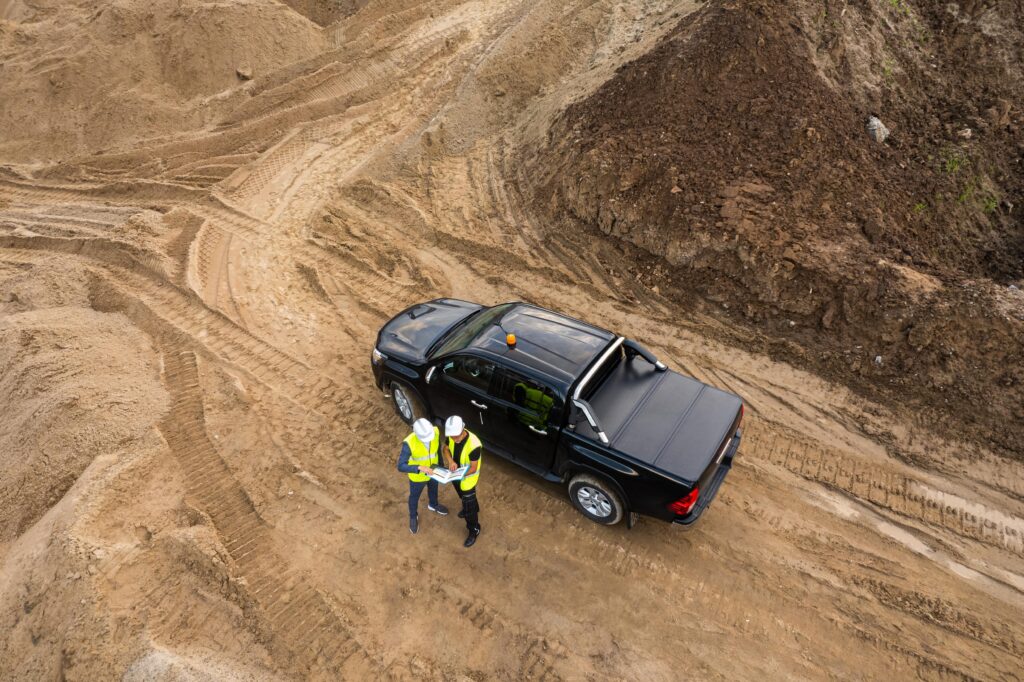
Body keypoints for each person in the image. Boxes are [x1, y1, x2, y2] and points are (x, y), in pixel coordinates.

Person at [396, 418, 448, 534]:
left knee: (434, 489)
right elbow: (401, 466)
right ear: (415, 433)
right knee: (414, 497)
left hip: (434, 471)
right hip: (418, 477)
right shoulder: (409, 443)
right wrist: (419, 468)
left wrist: (441, 466)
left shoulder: (435, 432)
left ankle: (433, 504)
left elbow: (437, 450)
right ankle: (413, 516)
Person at [442, 415, 482, 547]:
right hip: (456, 476)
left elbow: (474, 467)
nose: (454, 439)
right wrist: (451, 461)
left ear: (463, 429)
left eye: (456, 436)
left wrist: (458, 474)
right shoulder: (452, 435)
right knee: (463, 498)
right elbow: (445, 449)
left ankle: (474, 529)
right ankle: (472, 507)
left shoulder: (474, 444)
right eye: (452, 437)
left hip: (468, 479)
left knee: (469, 509)